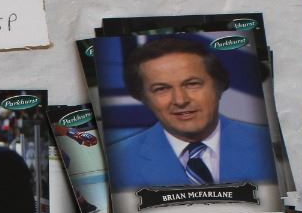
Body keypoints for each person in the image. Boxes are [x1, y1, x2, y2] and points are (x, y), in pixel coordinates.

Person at [104, 35, 277, 190]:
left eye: (192, 84)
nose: (180, 100)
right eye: (161, 89)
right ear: (143, 98)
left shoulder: (269, 146)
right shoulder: (118, 162)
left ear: (218, 86)